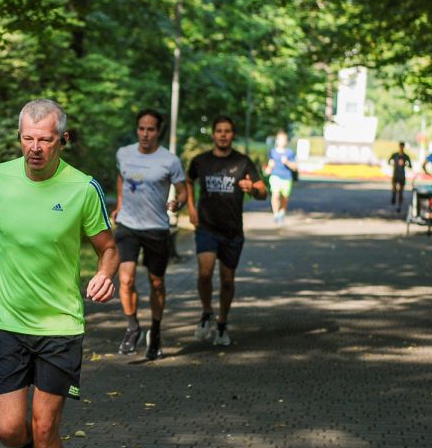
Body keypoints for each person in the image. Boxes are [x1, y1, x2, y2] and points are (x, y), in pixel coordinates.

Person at [0, 98, 119, 448]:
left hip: (59, 325)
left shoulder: (82, 189)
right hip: (7, 321)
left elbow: (108, 247)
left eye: (45, 140)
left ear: (62, 140)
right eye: (28, 138)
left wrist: (105, 274)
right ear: (20, 138)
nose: (35, 148)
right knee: (11, 430)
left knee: (45, 425)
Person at [110, 109, 187, 360]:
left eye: (150, 129)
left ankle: (155, 330)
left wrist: (178, 204)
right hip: (128, 226)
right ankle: (132, 327)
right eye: (141, 128)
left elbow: (182, 189)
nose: (145, 133)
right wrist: (120, 204)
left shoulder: (169, 161)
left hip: (156, 228)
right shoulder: (124, 153)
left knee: (157, 282)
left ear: (158, 132)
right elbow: (121, 178)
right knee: (126, 279)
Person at [186, 116, 267, 346]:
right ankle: (206, 311)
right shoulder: (200, 161)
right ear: (213, 134)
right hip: (206, 227)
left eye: (227, 131)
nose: (223, 134)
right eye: (219, 130)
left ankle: (222, 323)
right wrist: (191, 207)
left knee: (227, 280)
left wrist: (252, 189)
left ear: (233, 135)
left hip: (232, 230)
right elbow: (188, 181)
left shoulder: (243, 162)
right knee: (204, 272)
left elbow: (263, 193)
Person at [263, 130, 297, 226]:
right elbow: (269, 165)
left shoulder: (290, 153)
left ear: (286, 141)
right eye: (280, 139)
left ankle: (282, 213)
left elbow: (294, 167)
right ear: (277, 141)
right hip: (275, 176)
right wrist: (269, 168)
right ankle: (276, 214)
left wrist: (287, 162)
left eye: (284, 140)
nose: (282, 142)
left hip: (286, 178)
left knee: (284, 198)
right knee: (275, 194)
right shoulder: (272, 152)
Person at [388, 141, 412, 211]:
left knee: (401, 192)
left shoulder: (406, 156)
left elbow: (410, 166)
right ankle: (394, 195)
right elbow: (389, 161)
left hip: (402, 175)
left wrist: (406, 164)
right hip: (395, 174)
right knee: (394, 187)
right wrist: (393, 164)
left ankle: (399, 206)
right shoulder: (395, 155)